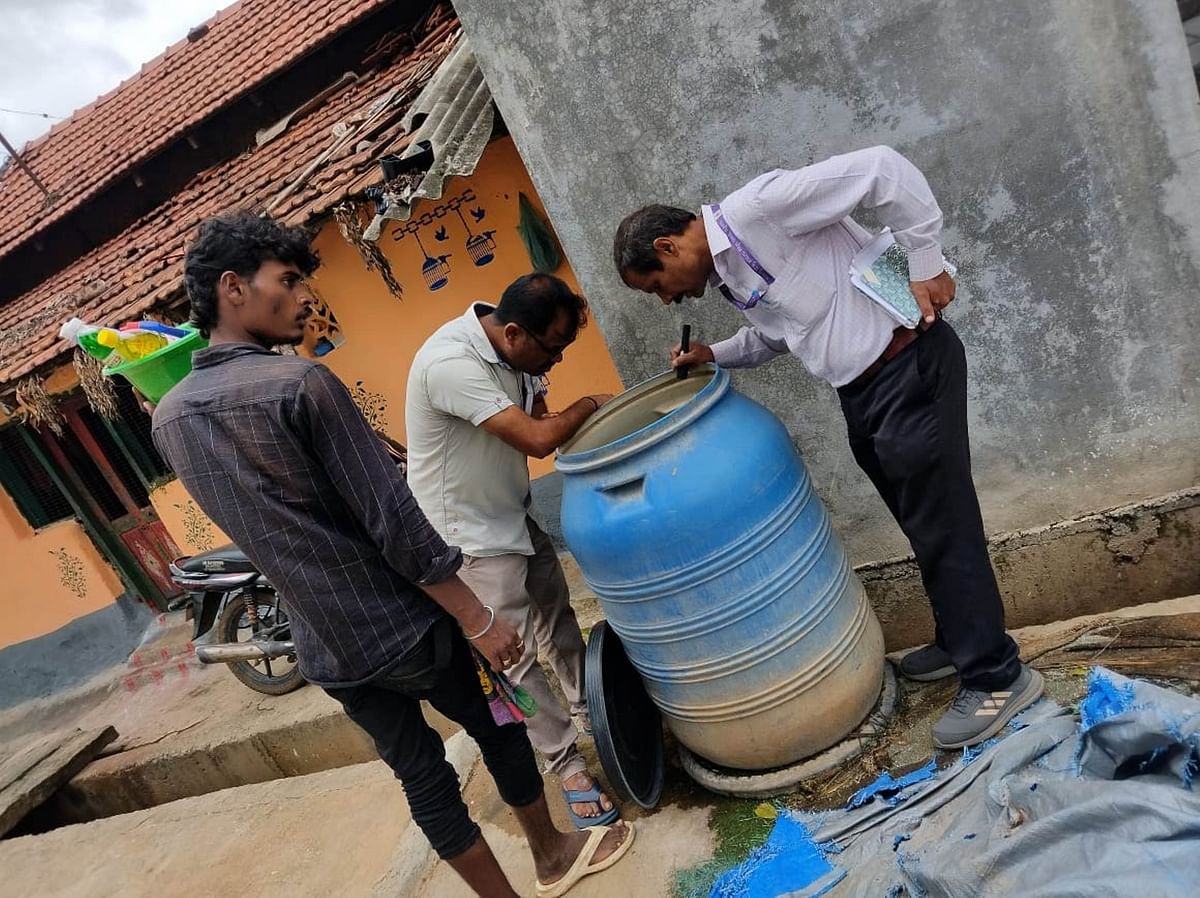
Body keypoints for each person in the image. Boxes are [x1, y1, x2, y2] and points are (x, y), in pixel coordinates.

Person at [152, 212, 632, 898]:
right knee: (498, 723)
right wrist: (477, 620)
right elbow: (393, 520)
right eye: (285, 282)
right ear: (233, 288)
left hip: (327, 646)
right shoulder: (300, 385)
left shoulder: (169, 418)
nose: (304, 299)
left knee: (422, 778)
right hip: (408, 628)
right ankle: (553, 854)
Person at [612, 145, 1043, 749]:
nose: (667, 300)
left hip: (908, 364)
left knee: (944, 526)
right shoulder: (734, 273)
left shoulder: (758, 209)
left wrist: (925, 262)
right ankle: (960, 637)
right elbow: (779, 336)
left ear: (667, 248)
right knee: (921, 523)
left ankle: (998, 676)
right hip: (862, 393)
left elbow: (883, 170)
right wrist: (716, 355)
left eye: (656, 286)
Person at [405, 273, 618, 829]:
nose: (557, 360)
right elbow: (537, 437)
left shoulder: (519, 353)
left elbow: (541, 413)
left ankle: (590, 708)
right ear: (516, 333)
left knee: (558, 616)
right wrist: (592, 402)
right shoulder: (450, 364)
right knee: (514, 657)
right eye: (553, 348)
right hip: (468, 540)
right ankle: (566, 763)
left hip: (512, 511)